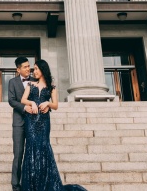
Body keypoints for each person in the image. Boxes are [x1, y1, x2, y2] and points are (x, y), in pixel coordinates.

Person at [20, 59, 88, 191]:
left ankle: (44, 184)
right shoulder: (30, 84)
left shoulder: (52, 87)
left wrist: (47, 104)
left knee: (44, 148)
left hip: (44, 121)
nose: (35, 71)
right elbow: (23, 99)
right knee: (31, 148)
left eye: (37, 69)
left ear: (43, 70)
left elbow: (56, 105)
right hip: (31, 121)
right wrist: (32, 103)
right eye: (34, 69)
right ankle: (32, 185)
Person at [8, 56, 42, 191]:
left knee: (33, 154)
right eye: (25, 67)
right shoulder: (12, 82)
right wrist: (24, 108)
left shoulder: (35, 80)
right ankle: (15, 186)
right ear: (18, 69)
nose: (29, 69)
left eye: (29, 66)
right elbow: (11, 100)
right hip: (19, 123)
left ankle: (33, 183)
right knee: (18, 154)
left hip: (34, 122)